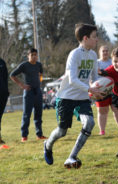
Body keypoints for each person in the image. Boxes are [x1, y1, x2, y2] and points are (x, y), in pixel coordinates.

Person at [43, 23, 103, 168]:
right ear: (85, 38)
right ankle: (47, 145)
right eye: (94, 37)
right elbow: (73, 79)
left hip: (82, 98)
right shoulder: (74, 54)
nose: (97, 40)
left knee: (89, 123)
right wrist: (90, 89)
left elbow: (94, 78)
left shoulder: (93, 55)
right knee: (62, 131)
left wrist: (100, 88)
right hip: (66, 98)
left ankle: (71, 157)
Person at [10, 48, 47, 142]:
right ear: (28, 56)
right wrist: (22, 85)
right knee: (27, 114)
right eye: (32, 55)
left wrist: (39, 82)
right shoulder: (24, 65)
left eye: (36, 55)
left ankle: (39, 134)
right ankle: (24, 136)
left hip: (37, 91)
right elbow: (12, 75)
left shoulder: (39, 65)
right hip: (28, 92)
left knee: (38, 114)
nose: (34, 56)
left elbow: (41, 74)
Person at [95, 45, 118, 135]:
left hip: (113, 90)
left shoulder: (112, 62)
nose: (105, 53)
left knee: (116, 109)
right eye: (103, 51)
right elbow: (92, 77)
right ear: (100, 53)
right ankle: (102, 130)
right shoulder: (96, 63)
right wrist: (93, 87)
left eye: (106, 51)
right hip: (101, 90)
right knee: (102, 111)